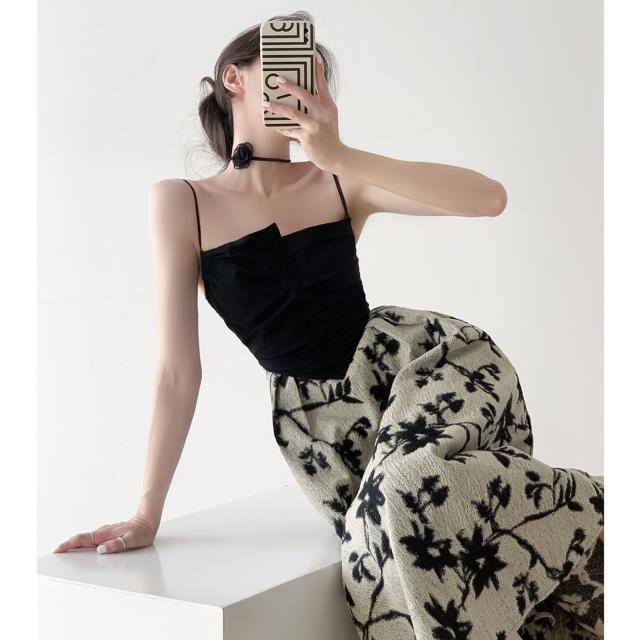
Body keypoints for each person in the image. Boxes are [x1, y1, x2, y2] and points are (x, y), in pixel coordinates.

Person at [53, 11, 604, 640]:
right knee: (392, 550)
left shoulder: (339, 181)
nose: (303, 88)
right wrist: (147, 513)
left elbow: (489, 199)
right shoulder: (182, 201)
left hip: (419, 371)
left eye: (315, 80)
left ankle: (599, 509)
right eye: (288, 70)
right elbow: (179, 372)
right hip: (322, 430)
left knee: (406, 485)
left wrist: (341, 154)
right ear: (234, 78)